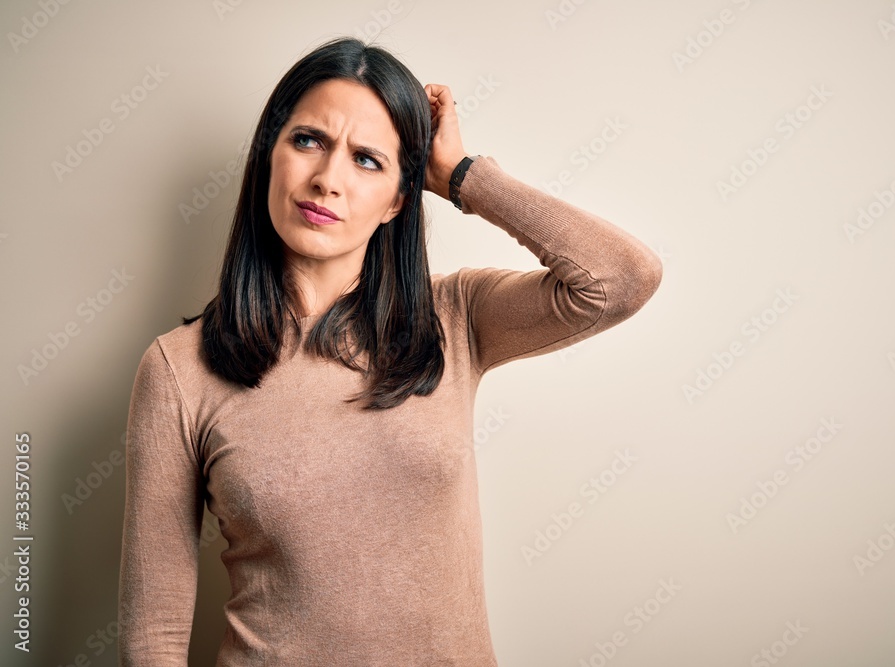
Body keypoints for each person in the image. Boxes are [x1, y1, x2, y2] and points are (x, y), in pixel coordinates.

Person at [117, 36, 662, 665]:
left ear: (400, 199)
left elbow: (621, 280)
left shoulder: (455, 318)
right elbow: (152, 636)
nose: (327, 180)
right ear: (270, 152)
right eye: (308, 141)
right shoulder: (179, 370)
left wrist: (461, 177)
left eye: (368, 160)